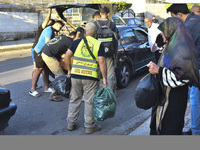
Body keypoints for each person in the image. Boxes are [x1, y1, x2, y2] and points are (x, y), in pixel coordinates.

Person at [147, 17, 199, 135]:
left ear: (171, 30)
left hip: (174, 100)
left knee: (170, 129)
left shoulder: (183, 50)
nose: (161, 33)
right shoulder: (172, 45)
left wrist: (158, 70)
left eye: (164, 30)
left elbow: (182, 77)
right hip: (165, 98)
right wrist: (157, 67)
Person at [64, 22, 107, 134]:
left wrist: (69, 70)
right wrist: (104, 78)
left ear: (85, 32)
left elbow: (66, 56)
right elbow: (102, 62)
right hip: (90, 77)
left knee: (74, 99)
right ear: (95, 33)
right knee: (89, 101)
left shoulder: (76, 42)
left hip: (76, 75)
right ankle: (89, 126)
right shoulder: (98, 44)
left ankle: (71, 123)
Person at [167, 3, 200, 135]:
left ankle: (196, 131)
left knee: (195, 100)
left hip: (197, 67)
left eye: (174, 18)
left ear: (179, 15)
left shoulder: (189, 26)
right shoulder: (197, 20)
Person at [29, 20, 64, 98]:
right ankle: (32, 89)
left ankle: (46, 88)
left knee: (46, 69)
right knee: (39, 69)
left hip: (45, 52)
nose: (60, 29)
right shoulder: (48, 30)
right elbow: (48, 43)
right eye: (60, 27)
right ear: (57, 25)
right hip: (39, 52)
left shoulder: (53, 31)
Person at [94, 6, 120, 96]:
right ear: (108, 14)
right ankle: (110, 93)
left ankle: (101, 93)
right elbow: (117, 38)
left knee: (100, 73)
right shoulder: (111, 24)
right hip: (109, 53)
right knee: (110, 75)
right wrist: (115, 54)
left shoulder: (95, 24)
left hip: (97, 54)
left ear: (100, 13)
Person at [31, 8, 55, 89]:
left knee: (43, 68)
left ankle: (45, 84)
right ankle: (34, 86)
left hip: (38, 49)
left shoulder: (49, 30)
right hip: (36, 50)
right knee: (37, 69)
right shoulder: (43, 28)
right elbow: (46, 20)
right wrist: (49, 11)